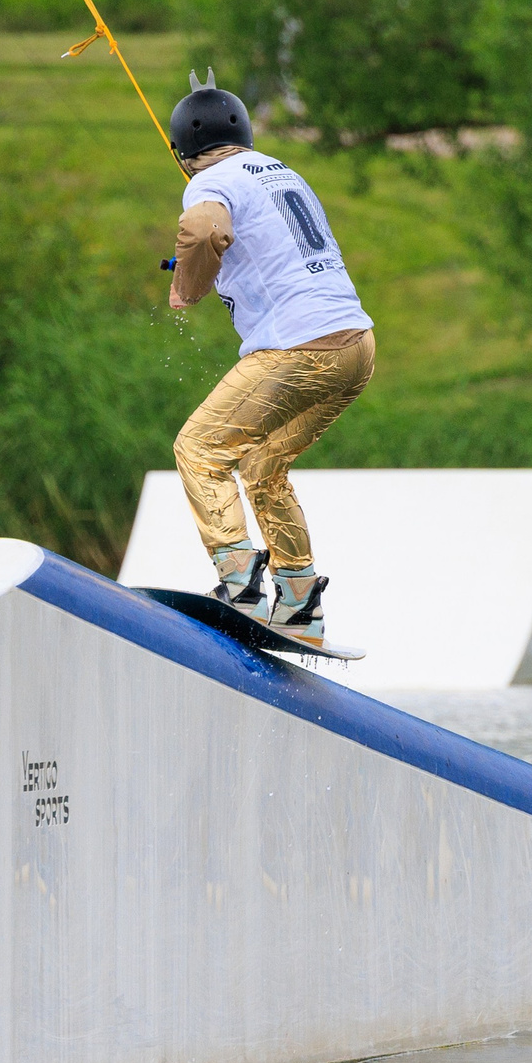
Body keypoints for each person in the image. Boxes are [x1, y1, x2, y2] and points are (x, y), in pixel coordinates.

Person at [163, 72, 375, 654]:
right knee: (261, 464)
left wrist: (187, 285)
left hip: (297, 348)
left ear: (184, 155)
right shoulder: (280, 170)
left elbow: (204, 229)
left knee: (200, 450)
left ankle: (241, 589)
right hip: (355, 346)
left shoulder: (208, 180)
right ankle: (301, 602)